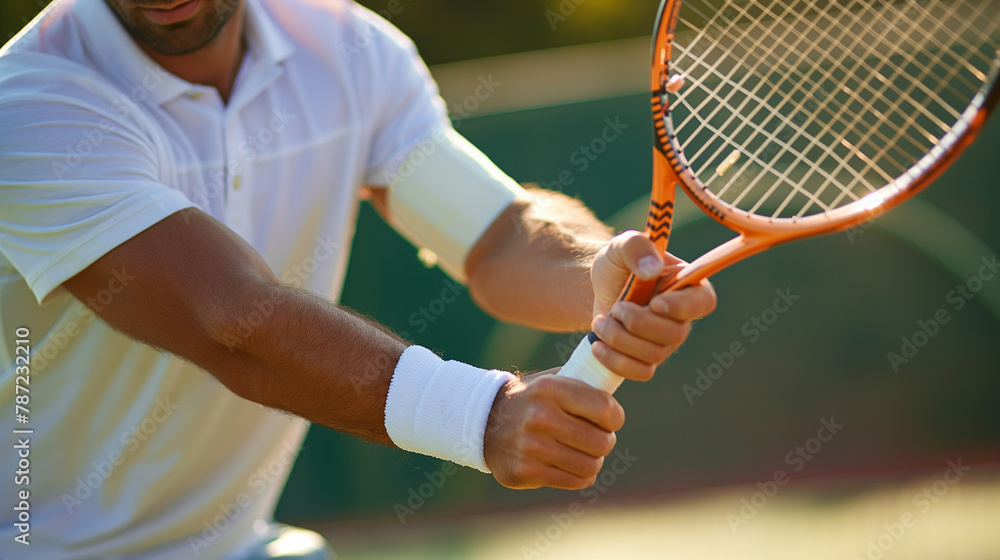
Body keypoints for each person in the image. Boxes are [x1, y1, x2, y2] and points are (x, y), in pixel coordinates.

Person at [0, 0, 716, 558]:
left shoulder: (347, 47)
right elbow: (234, 322)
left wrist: (597, 273)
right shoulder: (27, 106)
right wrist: (486, 417)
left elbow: (497, 235)